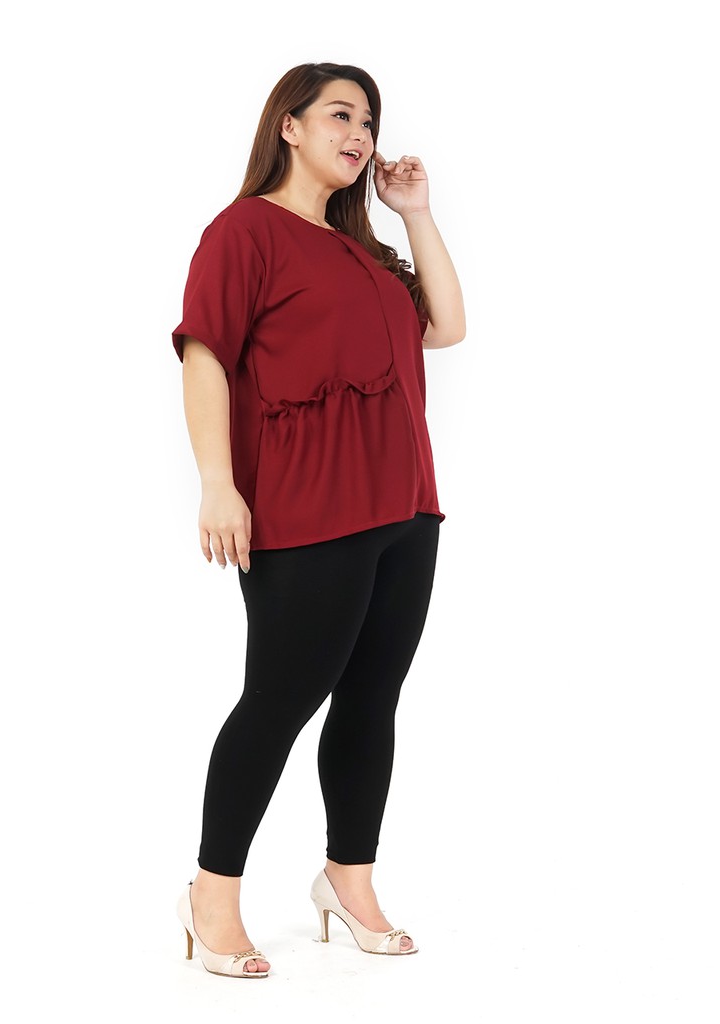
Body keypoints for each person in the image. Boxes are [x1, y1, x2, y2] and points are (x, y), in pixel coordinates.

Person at [170, 62, 465, 978]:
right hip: (306, 506)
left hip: (406, 505)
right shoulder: (245, 230)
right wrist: (217, 483)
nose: (360, 134)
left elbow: (447, 327)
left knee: (373, 698)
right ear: (288, 126)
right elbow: (206, 353)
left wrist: (414, 213)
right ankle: (211, 896)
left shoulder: (365, 252)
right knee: (280, 700)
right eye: (340, 114)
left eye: (368, 121)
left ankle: (348, 878)